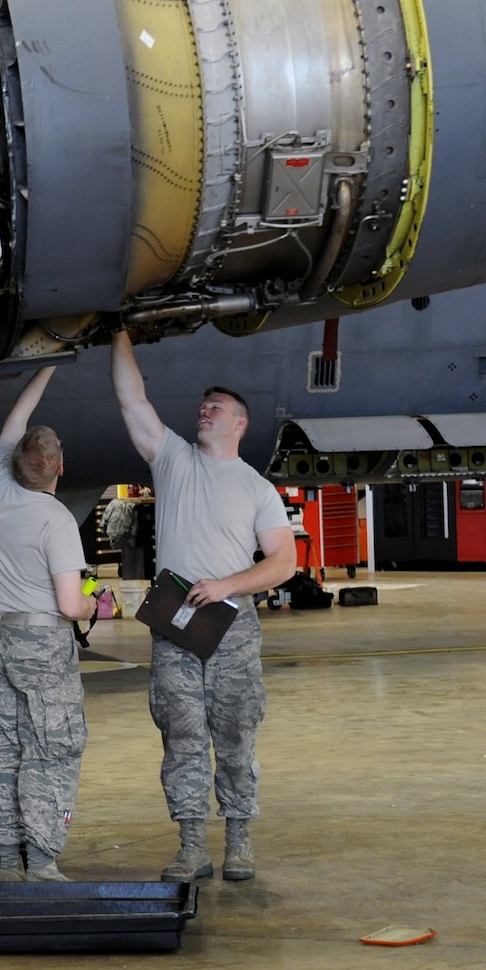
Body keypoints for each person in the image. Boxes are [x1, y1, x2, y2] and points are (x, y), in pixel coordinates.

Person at [109, 330, 296, 883]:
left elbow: (282, 563)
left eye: (215, 408)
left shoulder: (258, 488)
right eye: (201, 407)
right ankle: (192, 846)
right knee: (181, 735)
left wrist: (226, 585)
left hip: (231, 627)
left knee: (236, 735)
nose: (203, 412)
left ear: (240, 423)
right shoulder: (172, 459)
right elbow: (131, 398)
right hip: (175, 626)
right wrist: (119, 332)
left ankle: (239, 843)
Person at [0, 364, 100, 883]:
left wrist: (48, 363)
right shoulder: (57, 522)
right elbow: (72, 605)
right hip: (41, 644)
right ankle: (44, 861)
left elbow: (17, 417)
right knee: (52, 750)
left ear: (17, 462)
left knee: (5, 752)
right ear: (59, 468)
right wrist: (101, 607)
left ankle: (7, 861)